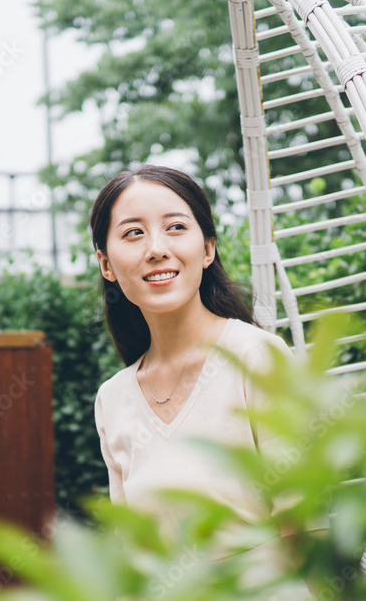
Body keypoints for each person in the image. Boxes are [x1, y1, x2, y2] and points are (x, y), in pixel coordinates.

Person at [90, 164, 308, 595]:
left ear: (207, 249)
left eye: (175, 227)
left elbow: (305, 527)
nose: (157, 249)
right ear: (107, 264)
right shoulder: (112, 399)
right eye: (133, 233)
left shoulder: (257, 358)